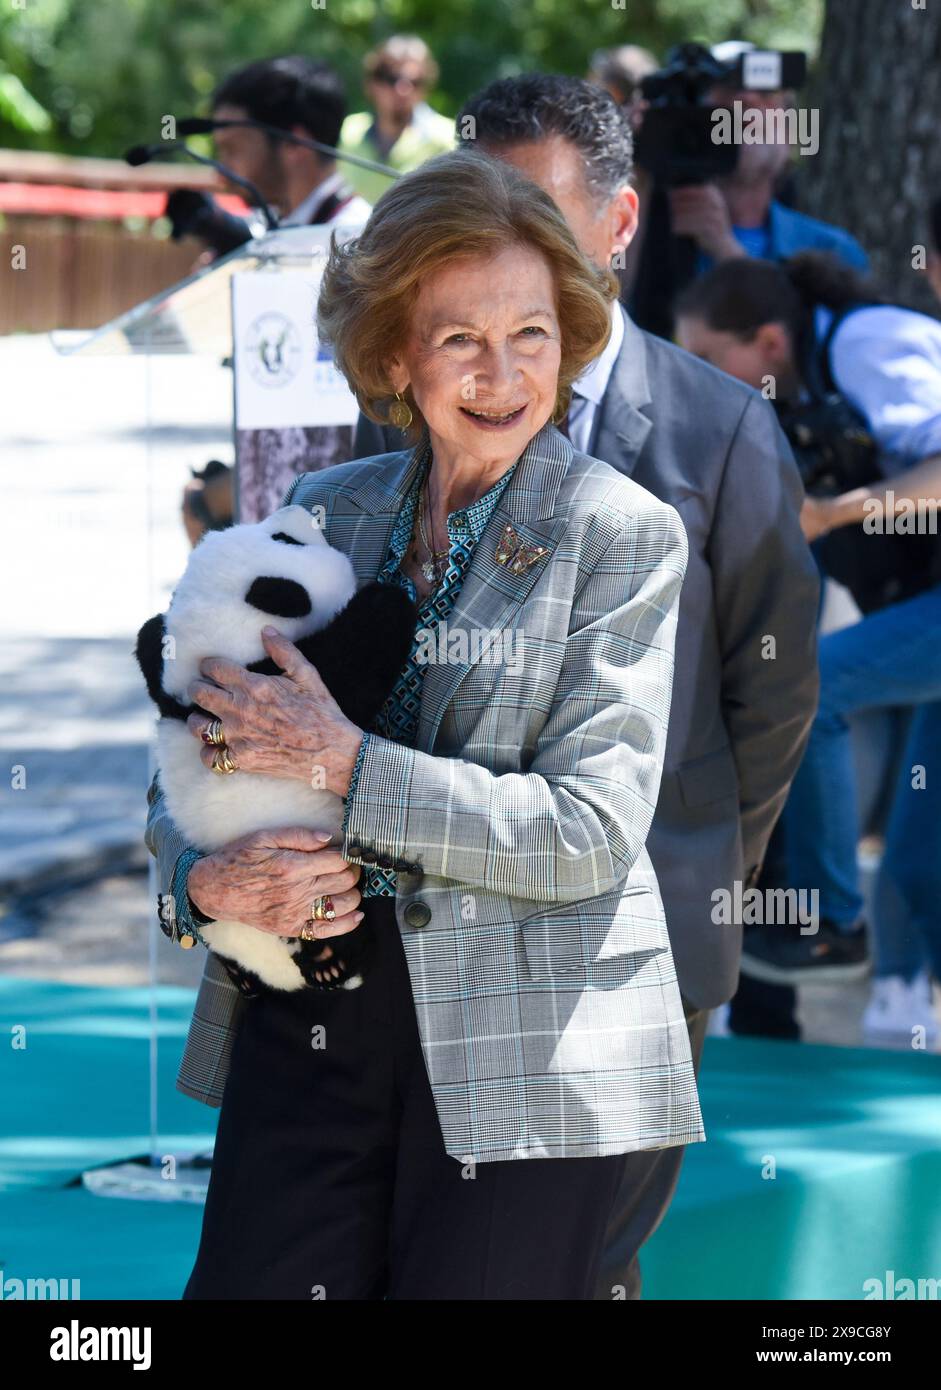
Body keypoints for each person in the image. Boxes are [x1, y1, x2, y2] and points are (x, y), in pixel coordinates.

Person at [144, 147, 705, 1300]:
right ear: (396, 353)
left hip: (523, 1053)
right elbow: (186, 755)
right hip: (306, 1021)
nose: (501, 374)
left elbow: (588, 829)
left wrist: (343, 765)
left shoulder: (621, 533)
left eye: (532, 334)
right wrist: (203, 885)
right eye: (461, 339)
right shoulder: (320, 516)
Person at [355, 74, 821, 1299]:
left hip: (637, 938)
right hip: (418, 935)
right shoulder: (402, 409)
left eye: (536, 211)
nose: (497, 249)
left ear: (617, 227)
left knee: (582, 1267)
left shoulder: (719, 430)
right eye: (472, 210)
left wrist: (694, 869)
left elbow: (767, 695)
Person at [675, 253, 941, 1042]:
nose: (694, 376)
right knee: (916, 839)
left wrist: (833, 512)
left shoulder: (868, 343)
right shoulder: (804, 376)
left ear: (766, 344)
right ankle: (902, 1010)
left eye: (704, 358)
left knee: (815, 688)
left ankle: (826, 921)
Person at [210, 55, 372, 231]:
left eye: (233, 149)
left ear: (295, 143)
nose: (222, 172)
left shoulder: (359, 242)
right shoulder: (270, 227)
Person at [337, 35, 454, 205]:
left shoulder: (449, 139)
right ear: (372, 83)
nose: (403, 90)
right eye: (392, 79)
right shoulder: (347, 131)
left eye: (415, 82)